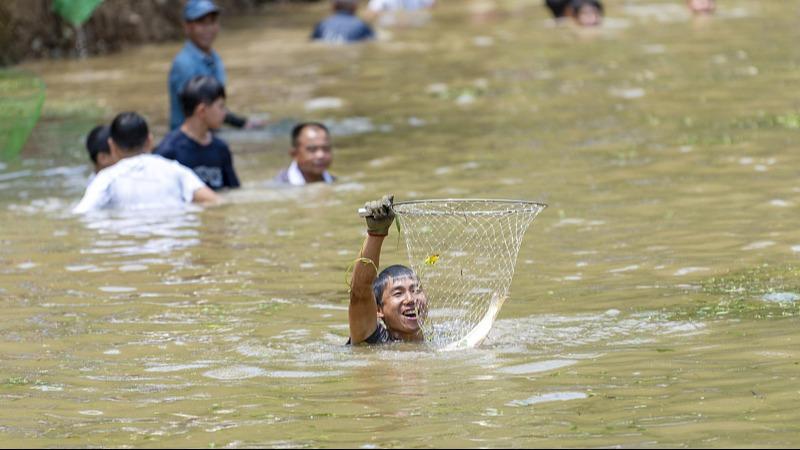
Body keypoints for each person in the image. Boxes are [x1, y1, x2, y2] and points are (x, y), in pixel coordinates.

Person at [73, 112, 219, 214]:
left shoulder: (106, 179)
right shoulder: (175, 170)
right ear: (150, 141)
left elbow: (81, 213)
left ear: (112, 146)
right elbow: (215, 201)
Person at [168, 0, 262, 130]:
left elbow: (215, 105)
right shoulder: (184, 64)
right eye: (201, 23)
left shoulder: (214, 58)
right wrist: (241, 123)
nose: (208, 29)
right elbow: (203, 107)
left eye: (212, 22)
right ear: (187, 27)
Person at [348, 195, 427, 344]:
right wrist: (376, 233)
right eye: (398, 293)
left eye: (416, 290)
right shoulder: (372, 339)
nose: (411, 300)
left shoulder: (439, 339)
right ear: (378, 310)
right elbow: (360, 291)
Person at [155, 76, 240, 191]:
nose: (225, 113)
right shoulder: (169, 151)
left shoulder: (221, 148)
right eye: (221, 106)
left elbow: (233, 191)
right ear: (202, 111)